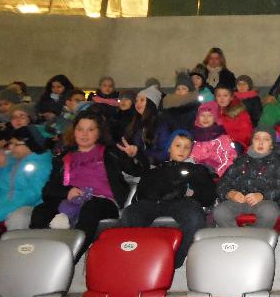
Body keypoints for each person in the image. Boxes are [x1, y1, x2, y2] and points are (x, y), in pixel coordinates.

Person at [30, 109, 144, 255]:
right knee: (41, 211)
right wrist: (68, 191)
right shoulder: (63, 158)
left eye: (90, 129)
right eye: (80, 129)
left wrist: (135, 155)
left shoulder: (111, 153)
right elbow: (48, 190)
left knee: (91, 208)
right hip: (71, 200)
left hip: (103, 202)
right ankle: (39, 255)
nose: (84, 134)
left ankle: (71, 256)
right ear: (74, 132)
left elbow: (138, 172)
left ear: (99, 132)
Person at [119, 130, 215, 268]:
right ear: (169, 148)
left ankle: (172, 261)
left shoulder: (197, 170)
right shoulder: (155, 170)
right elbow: (141, 191)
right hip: (153, 203)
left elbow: (209, 196)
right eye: (178, 145)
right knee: (130, 214)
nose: (182, 150)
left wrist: (191, 193)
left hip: (182, 203)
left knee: (195, 217)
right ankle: (140, 257)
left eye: (186, 147)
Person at [213, 130, 280, 229]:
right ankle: (236, 237)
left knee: (269, 213)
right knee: (220, 211)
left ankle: (257, 238)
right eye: (257, 138)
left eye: (266, 139)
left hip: (267, 202)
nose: (261, 142)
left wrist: (262, 195)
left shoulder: (279, 162)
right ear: (252, 142)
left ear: (272, 145)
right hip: (239, 202)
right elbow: (222, 184)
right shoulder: (240, 161)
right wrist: (230, 194)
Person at [155, 71, 200, 155]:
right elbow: (163, 129)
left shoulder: (195, 108)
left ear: (190, 91)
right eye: (178, 89)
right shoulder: (167, 106)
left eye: (184, 88)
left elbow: (195, 129)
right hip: (169, 146)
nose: (180, 91)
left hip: (188, 147)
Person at [189, 101, 238, 177]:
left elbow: (230, 157)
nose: (205, 118)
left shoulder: (221, 138)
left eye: (210, 115)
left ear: (215, 118)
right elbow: (189, 155)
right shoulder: (193, 136)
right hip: (196, 173)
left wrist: (217, 173)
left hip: (216, 173)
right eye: (202, 115)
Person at [121, 85, 162, 165]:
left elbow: (164, 153)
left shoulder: (161, 124)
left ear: (151, 103)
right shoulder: (135, 122)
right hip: (140, 166)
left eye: (142, 100)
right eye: (136, 101)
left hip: (156, 167)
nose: (137, 103)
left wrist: (138, 152)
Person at [214, 86, 253, 152]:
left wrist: (230, 139)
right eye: (219, 95)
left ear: (231, 97)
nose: (222, 98)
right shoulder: (213, 110)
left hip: (237, 143)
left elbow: (246, 134)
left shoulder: (239, 112)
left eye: (225, 95)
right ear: (215, 98)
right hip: (219, 142)